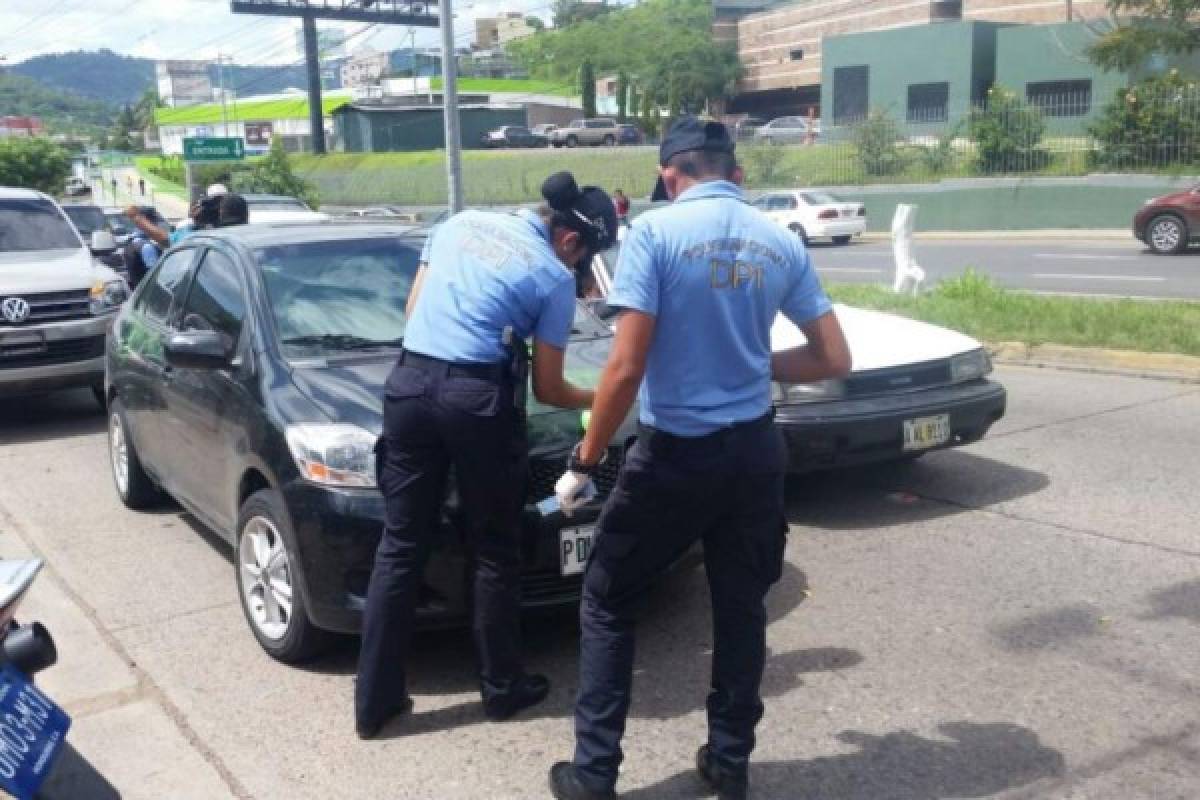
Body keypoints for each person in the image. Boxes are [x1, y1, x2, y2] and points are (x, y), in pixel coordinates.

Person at [548, 117, 852, 800]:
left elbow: (624, 368)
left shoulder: (653, 234)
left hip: (677, 458)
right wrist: (750, 363)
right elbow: (834, 357)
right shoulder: (781, 240)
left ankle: (594, 773)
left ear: (668, 174)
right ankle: (729, 761)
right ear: (736, 173)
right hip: (753, 454)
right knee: (742, 607)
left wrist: (588, 458)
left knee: (606, 598)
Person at [354, 172, 618, 740]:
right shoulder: (552, 276)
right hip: (476, 402)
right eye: (585, 259)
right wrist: (601, 396)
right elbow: (549, 389)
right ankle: (501, 688)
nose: (579, 270)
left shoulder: (460, 223)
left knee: (399, 546)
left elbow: (413, 310)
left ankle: (374, 703)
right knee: (494, 548)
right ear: (573, 244)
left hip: (409, 385)